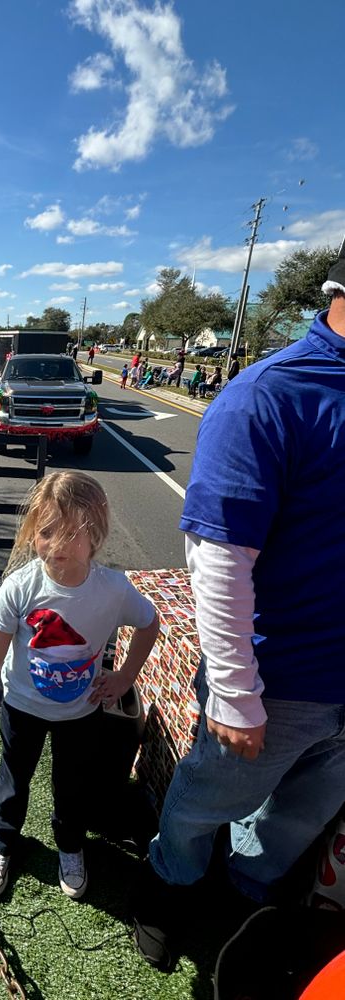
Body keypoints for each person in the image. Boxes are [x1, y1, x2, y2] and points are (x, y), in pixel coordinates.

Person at [131, 248, 345, 973]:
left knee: (298, 815)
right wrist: (234, 691)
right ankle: (169, 889)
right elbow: (218, 556)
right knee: (202, 803)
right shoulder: (271, 395)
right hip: (278, 686)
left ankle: (244, 896)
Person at [0, 472, 159, 900]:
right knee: (14, 779)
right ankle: (1, 840)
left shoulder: (112, 590)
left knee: (73, 785)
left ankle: (70, 844)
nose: (55, 546)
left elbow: (150, 622)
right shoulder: (20, 587)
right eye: (45, 532)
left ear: (96, 537)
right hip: (21, 707)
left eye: (70, 534)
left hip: (81, 713)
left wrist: (125, 675)